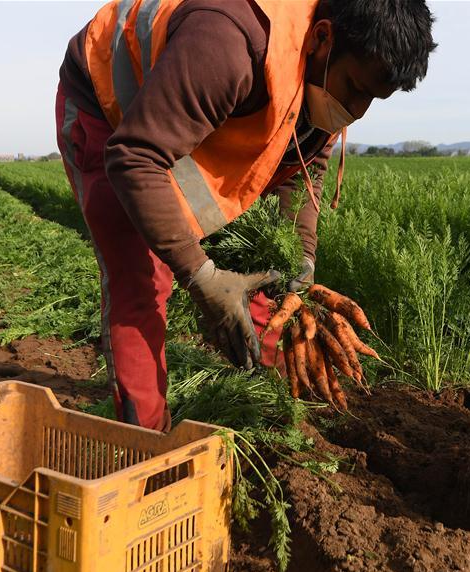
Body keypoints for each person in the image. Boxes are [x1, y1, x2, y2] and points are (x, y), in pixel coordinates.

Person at [56, 0, 435, 431]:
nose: (358, 109)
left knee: (262, 275)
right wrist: (200, 276)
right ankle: (146, 443)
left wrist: (303, 260)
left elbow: (303, 170)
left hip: (185, 110)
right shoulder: (228, 43)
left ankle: (290, 395)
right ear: (323, 37)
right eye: (354, 88)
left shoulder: (321, 71)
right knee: (144, 277)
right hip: (107, 106)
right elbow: (135, 157)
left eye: (372, 98)